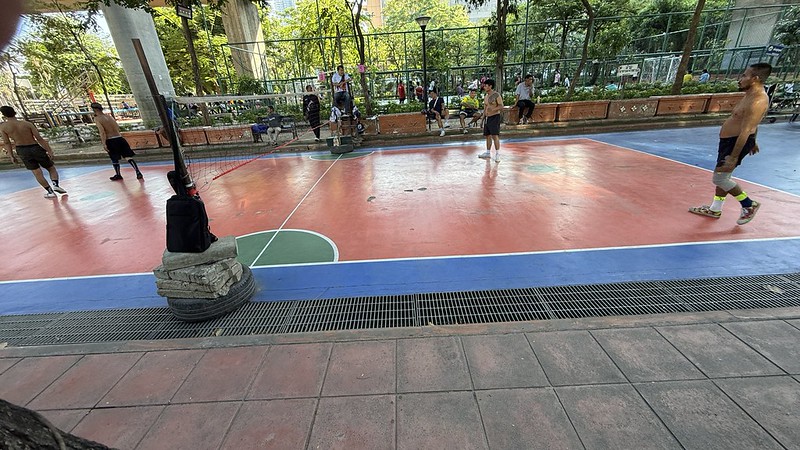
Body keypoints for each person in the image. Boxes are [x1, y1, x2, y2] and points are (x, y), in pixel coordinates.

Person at [688, 62, 772, 225]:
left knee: (720, 178)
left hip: (735, 142)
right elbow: (754, 123)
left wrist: (734, 156)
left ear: (755, 79)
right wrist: (754, 141)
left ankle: (748, 204)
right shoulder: (750, 95)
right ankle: (715, 208)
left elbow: (747, 129)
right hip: (730, 141)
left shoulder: (758, 101)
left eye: (744, 76)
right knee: (723, 177)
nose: (740, 79)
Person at [1, 105, 67, 198]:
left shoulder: (4, 127)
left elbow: (7, 142)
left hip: (22, 149)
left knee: (37, 172)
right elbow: (39, 138)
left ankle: (49, 191)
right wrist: (49, 150)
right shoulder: (27, 124)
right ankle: (55, 185)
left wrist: (11, 155)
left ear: (4, 115)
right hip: (34, 147)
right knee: (51, 167)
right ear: (14, 113)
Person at [91, 102, 143, 181]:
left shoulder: (97, 119)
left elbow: (102, 132)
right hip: (119, 138)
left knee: (114, 158)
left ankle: (118, 174)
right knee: (128, 156)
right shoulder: (109, 117)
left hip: (111, 140)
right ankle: (137, 171)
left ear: (94, 109)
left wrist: (104, 143)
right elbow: (117, 127)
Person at [478, 79, 503, 163]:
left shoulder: (496, 95)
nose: (484, 87)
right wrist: (482, 120)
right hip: (487, 118)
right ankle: (488, 152)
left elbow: (501, 106)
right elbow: (485, 108)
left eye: (486, 85)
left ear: (490, 86)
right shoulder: (486, 96)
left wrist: (493, 109)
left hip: (495, 117)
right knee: (487, 135)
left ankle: (497, 154)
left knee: (495, 136)